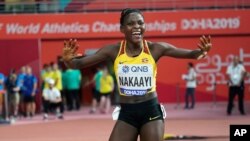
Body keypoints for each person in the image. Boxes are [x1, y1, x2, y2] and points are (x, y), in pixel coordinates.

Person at [62, 8, 212, 141]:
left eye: (140, 23)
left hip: (150, 111)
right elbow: (77, 64)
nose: (136, 27)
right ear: (122, 29)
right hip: (127, 113)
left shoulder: (155, 49)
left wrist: (202, 52)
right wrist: (67, 59)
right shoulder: (113, 51)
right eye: (131, 24)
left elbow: (192, 54)